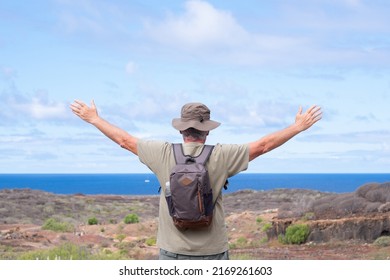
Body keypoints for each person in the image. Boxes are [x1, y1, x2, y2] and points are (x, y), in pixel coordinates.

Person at [70, 100, 322, 260]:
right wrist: (296, 127)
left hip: (172, 251)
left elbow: (124, 141)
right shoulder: (223, 155)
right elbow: (263, 146)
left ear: (181, 129)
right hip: (213, 252)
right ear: (208, 129)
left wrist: (94, 119)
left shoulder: (162, 153)